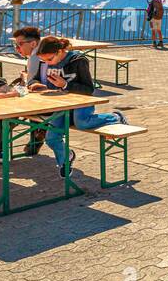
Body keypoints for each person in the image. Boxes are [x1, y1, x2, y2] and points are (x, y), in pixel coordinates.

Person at [27, 37, 124, 176]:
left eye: (49, 59)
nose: (47, 63)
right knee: (51, 138)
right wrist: (35, 84)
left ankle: (115, 117)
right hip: (61, 106)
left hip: (81, 103)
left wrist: (65, 85)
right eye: (44, 60)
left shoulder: (78, 61)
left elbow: (88, 89)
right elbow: (36, 78)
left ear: (60, 51)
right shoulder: (45, 63)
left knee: (82, 123)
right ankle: (66, 159)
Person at [0, 25, 45, 164]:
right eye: (15, 44)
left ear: (33, 43)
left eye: (20, 44)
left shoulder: (36, 58)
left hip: (39, 102)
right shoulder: (38, 54)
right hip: (39, 99)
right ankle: (36, 137)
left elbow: (31, 89)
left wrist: (4, 94)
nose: (17, 48)